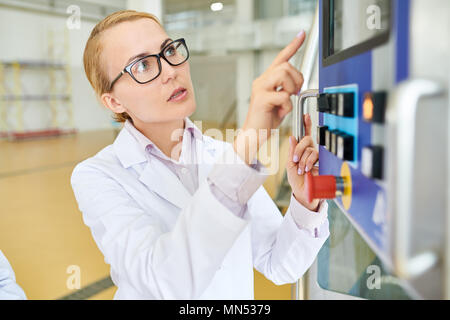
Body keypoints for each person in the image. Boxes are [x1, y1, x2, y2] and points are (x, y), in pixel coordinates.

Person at [71, 10, 329, 300]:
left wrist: (305, 203)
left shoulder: (223, 155)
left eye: (169, 50)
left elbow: (279, 264)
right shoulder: (98, 176)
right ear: (113, 101)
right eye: (142, 65)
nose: (170, 70)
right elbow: (163, 282)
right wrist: (247, 144)